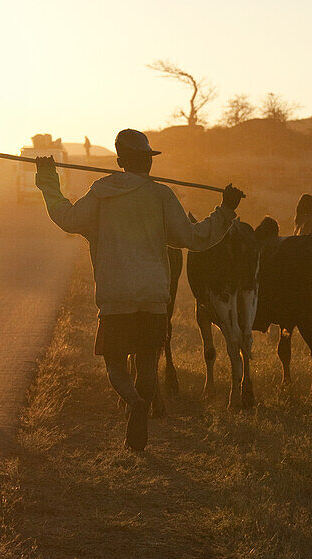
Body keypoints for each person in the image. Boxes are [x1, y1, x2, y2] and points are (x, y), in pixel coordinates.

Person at [35, 128, 244, 451]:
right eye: (147, 157)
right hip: (153, 299)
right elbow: (194, 239)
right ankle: (141, 403)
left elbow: (67, 217)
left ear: (120, 161)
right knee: (147, 364)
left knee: (115, 365)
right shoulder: (161, 196)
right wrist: (226, 210)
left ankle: (134, 402)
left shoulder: (102, 193)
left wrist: (49, 179)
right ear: (145, 161)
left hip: (115, 298)